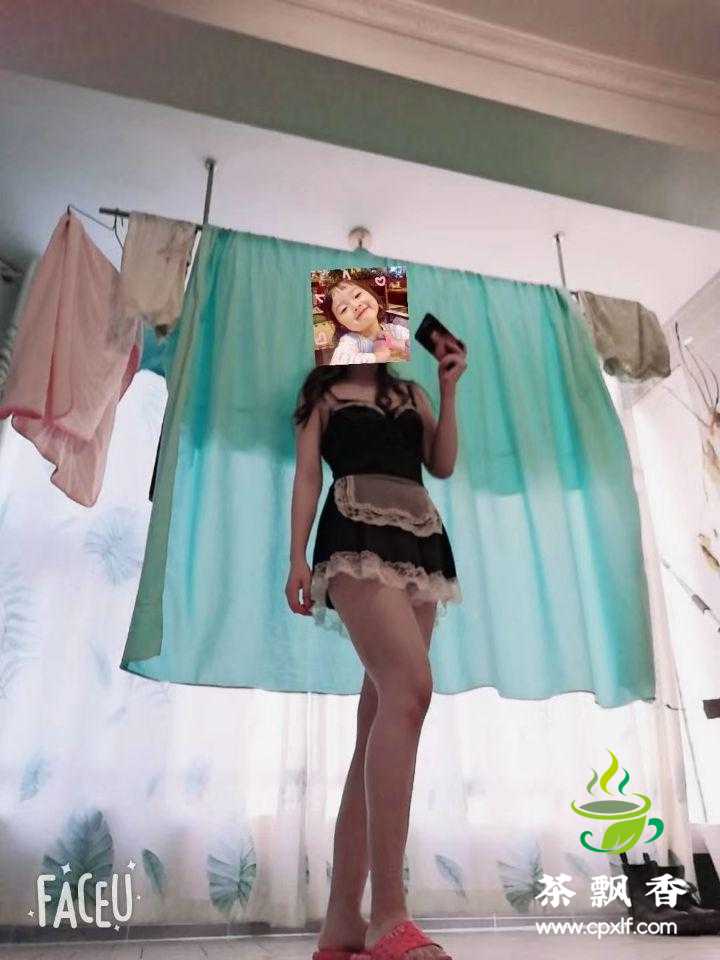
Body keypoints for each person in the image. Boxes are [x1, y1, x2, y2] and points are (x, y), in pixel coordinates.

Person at [285, 338, 468, 960]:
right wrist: (296, 558)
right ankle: (389, 913)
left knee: (380, 724)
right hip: (354, 532)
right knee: (410, 692)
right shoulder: (322, 396)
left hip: (419, 538)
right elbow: (308, 476)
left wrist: (448, 387)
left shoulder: (410, 392)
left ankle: (341, 925)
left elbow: (441, 463)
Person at [321, 277, 410, 364]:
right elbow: (338, 362)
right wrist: (378, 356)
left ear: (373, 296)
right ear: (341, 324)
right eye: (344, 309)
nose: (355, 305)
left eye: (357, 295)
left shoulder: (396, 331)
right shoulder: (349, 341)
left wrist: (400, 345)